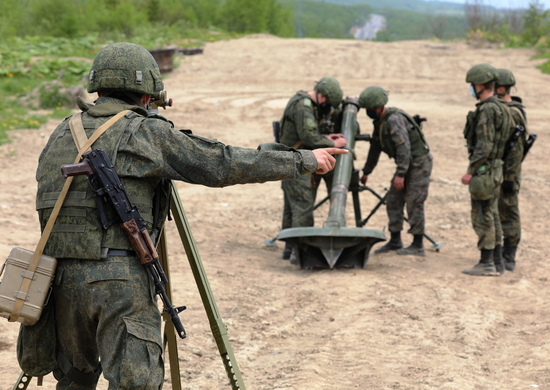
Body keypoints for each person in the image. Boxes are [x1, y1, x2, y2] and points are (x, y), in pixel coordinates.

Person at [28, 42, 346, 389]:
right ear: (148, 94)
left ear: (98, 88)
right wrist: (304, 160)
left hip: (56, 278)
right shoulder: (147, 132)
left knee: (74, 380)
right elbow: (222, 163)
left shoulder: (63, 130)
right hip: (118, 278)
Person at [278, 77, 347, 259]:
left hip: (289, 160)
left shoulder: (304, 102)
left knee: (291, 206)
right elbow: (308, 135)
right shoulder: (304, 105)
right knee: (302, 206)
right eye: (329, 104)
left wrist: (328, 138)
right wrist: (332, 143)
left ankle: (289, 248)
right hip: (294, 161)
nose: (330, 108)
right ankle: (300, 252)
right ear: (323, 96)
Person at [359, 86, 432, 256]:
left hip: (418, 163)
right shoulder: (380, 122)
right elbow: (375, 148)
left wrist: (400, 174)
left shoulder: (394, 120)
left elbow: (404, 148)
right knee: (393, 199)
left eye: (370, 109)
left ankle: (417, 244)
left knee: (414, 201)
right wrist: (366, 171)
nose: (368, 112)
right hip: (406, 163)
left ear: (378, 107)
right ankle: (395, 240)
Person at [461, 63, 514, 276]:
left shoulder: (487, 109)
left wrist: (471, 170)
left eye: (473, 85)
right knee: (493, 214)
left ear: (481, 85)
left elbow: (484, 145)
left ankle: (486, 263)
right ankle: (498, 261)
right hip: (497, 167)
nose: (471, 89)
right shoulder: (502, 106)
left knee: (483, 216)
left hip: (485, 170)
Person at [495, 68, 528, 272]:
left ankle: (509, 255)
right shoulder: (503, 109)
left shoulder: (513, 112)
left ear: (500, 88)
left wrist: (509, 177)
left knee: (509, 210)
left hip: (509, 172)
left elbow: (516, 150)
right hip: (501, 170)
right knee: (499, 210)